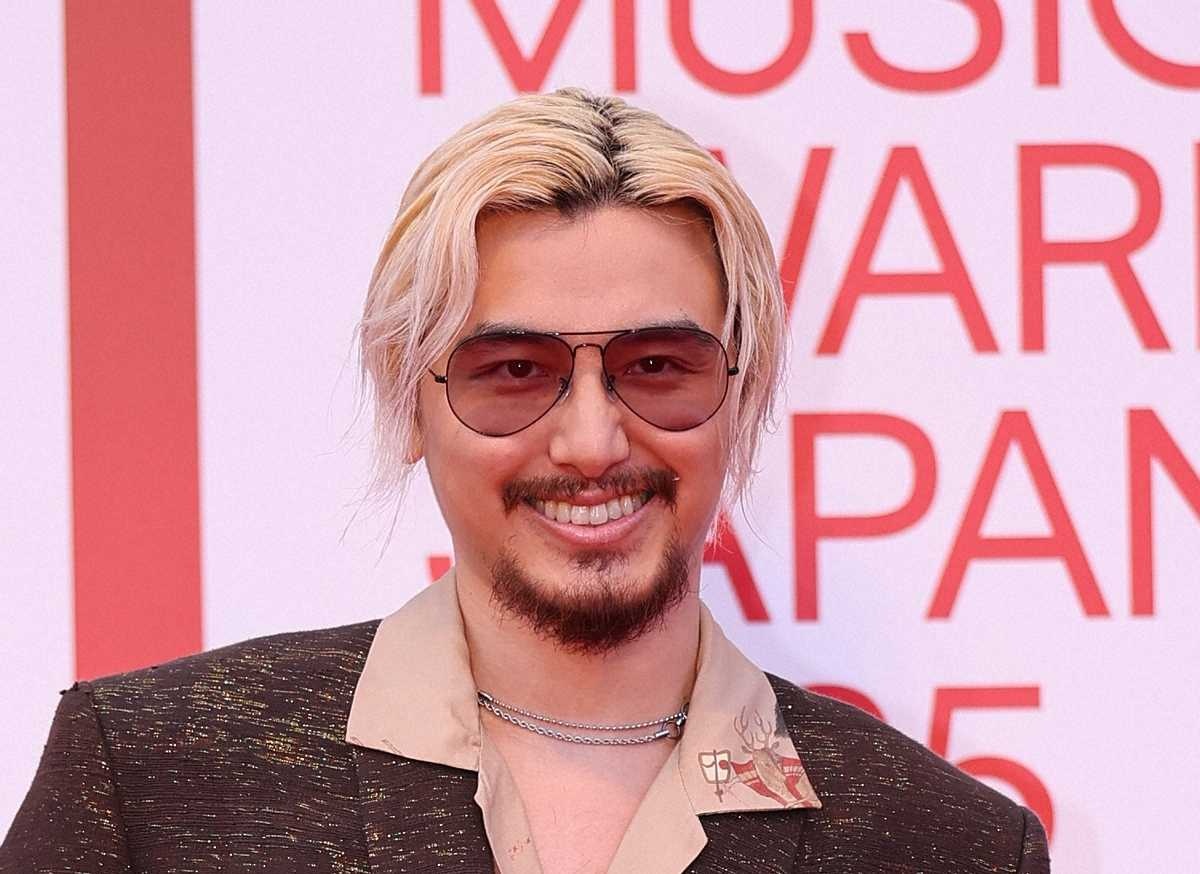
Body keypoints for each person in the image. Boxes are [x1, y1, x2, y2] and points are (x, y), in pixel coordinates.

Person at [1, 88, 1050, 873]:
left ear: (744, 392)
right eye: (514, 372)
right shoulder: (153, 778)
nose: (591, 441)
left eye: (658, 366)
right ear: (410, 399)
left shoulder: (946, 844)